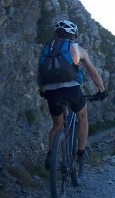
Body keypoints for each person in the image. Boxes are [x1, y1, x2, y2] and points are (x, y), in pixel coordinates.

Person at [38, 20, 107, 169]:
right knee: (82, 116)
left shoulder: (47, 49)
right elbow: (93, 73)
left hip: (51, 91)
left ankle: (50, 156)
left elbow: (41, 71)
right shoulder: (77, 48)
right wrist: (102, 90)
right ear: (72, 35)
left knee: (57, 124)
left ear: (57, 34)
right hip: (71, 90)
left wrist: (43, 89)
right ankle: (81, 153)